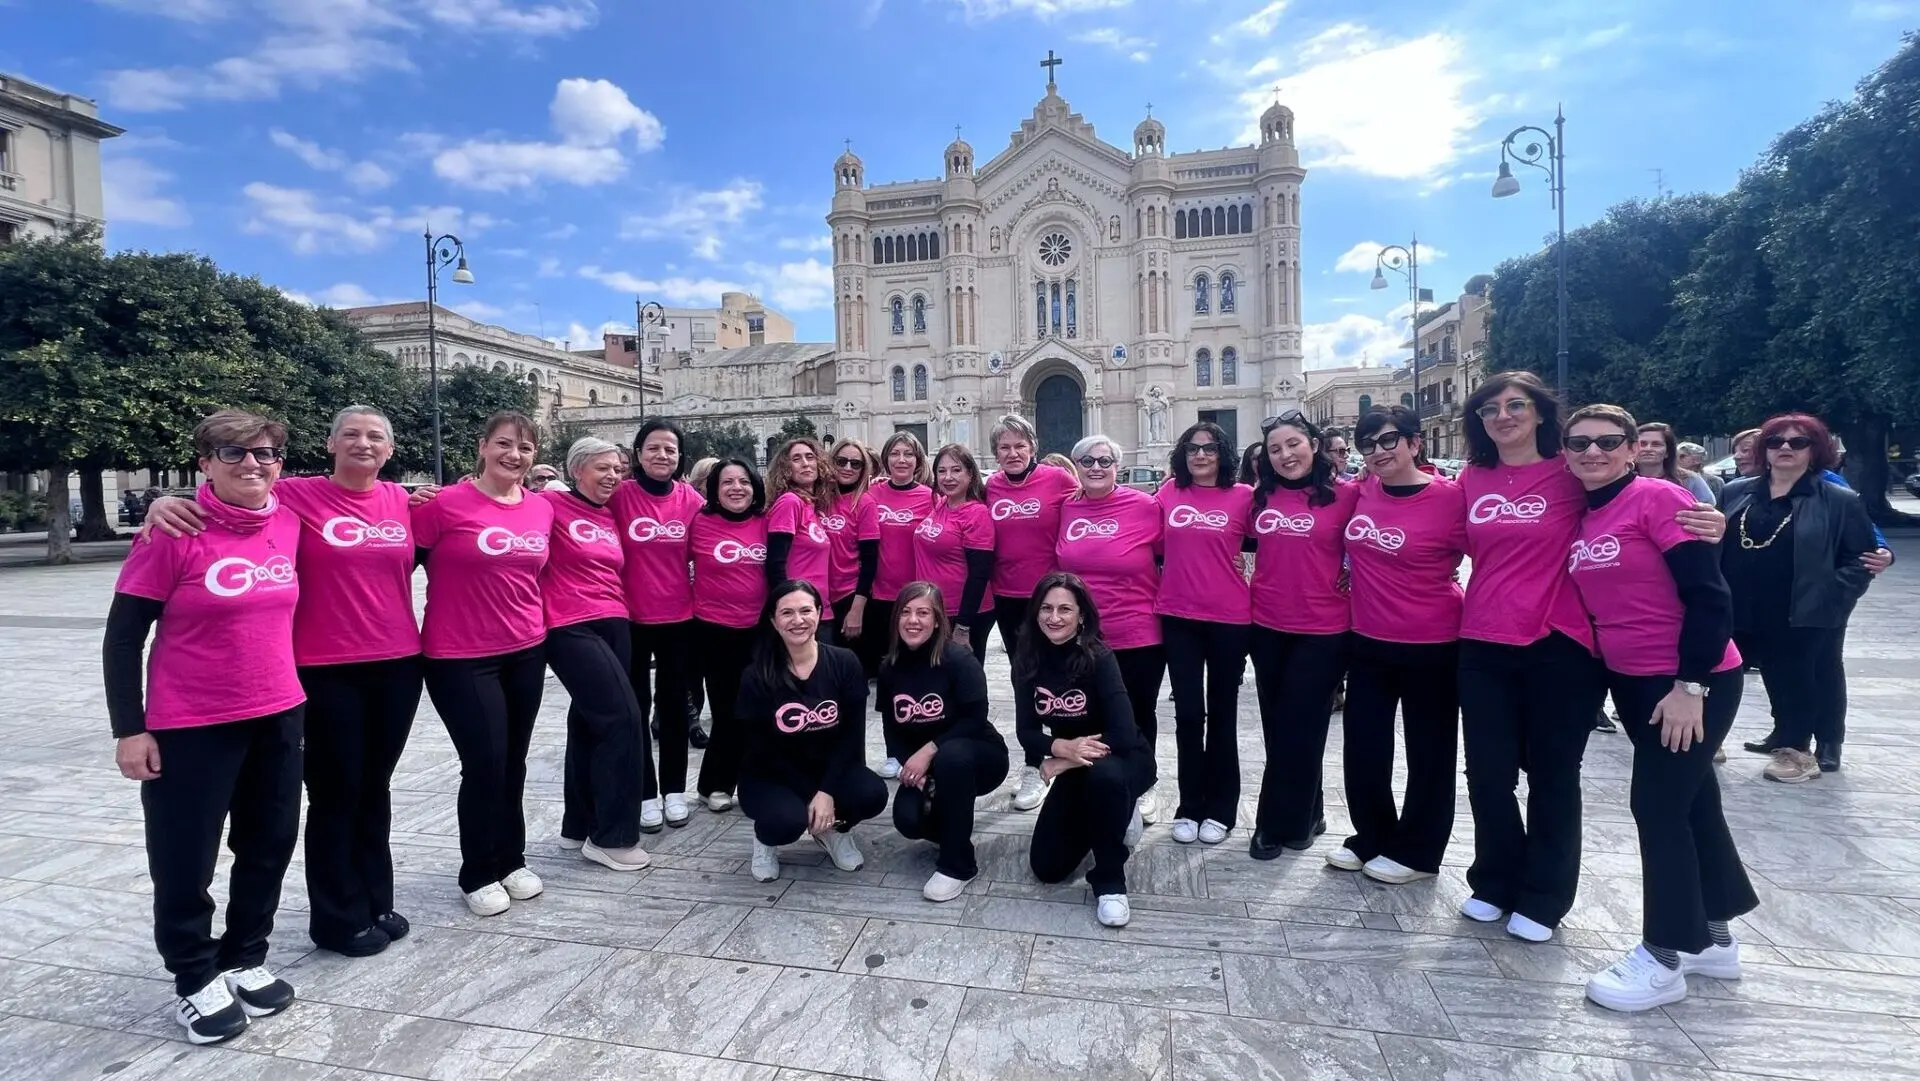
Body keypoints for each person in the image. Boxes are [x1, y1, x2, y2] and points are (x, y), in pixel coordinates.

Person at [144, 406, 424, 959]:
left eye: (375, 436)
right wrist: (163, 501)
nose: (363, 443)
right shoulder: (296, 495)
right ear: (330, 444)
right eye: (350, 434)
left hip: (397, 662)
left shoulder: (403, 500)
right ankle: (338, 917)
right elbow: (234, 489)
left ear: (390, 449)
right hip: (323, 667)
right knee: (336, 791)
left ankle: (375, 898)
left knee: (375, 786)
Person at [105, 410, 305, 1044]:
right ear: (205, 464)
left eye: (266, 453)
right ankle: (193, 975)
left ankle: (244, 954)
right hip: (191, 722)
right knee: (185, 856)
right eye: (233, 453)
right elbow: (123, 638)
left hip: (279, 711)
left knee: (270, 841)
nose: (252, 464)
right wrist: (129, 729)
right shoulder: (174, 531)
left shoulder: (289, 521)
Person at [1561, 404, 1756, 1013]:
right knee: (1694, 804)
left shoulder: (1658, 498)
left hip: (1688, 681)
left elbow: (1708, 595)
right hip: (1635, 683)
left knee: (1658, 808)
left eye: (1607, 441)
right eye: (1579, 443)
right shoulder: (1587, 513)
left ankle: (1664, 956)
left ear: (1631, 449)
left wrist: (1690, 686)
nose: (1593, 452)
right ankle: (1715, 940)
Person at [1454, 374, 1605, 942]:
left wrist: (1706, 520)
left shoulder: (1572, 472)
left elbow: (1634, 506)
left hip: (1559, 643)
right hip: (1482, 639)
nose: (1503, 416)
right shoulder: (1471, 479)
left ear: (1541, 413)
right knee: (1487, 773)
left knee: (1553, 774)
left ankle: (1545, 895)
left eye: (1516, 405)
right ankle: (1495, 880)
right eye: (1490, 409)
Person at [413, 412, 553, 917]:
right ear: (483, 447)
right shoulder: (443, 504)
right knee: (485, 762)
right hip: (461, 656)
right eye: (504, 444)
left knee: (514, 760)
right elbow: (393, 562)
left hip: (526, 649)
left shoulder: (541, 508)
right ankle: (477, 870)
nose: (514, 455)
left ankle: (511, 858)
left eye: (525, 448)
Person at [1335, 406, 1468, 885]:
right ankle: (1371, 835)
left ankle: (1419, 851)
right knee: (1364, 746)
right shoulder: (1362, 490)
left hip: (1433, 642)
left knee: (1429, 751)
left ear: (1415, 443)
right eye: (1368, 444)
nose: (1378, 451)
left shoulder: (1452, 498)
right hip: (1368, 640)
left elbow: (1496, 550)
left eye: (1389, 440)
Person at [1719, 413, 1877, 781]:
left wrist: (1832, 594)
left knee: (1792, 680)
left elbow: (1861, 558)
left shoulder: (1838, 499)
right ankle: (1710, 739)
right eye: (1776, 441)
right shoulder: (1736, 492)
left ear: (1815, 449)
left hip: (1798, 607)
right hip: (1736, 604)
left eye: (1798, 442)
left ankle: (1796, 751)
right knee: (1719, 674)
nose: (1785, 448)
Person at [1246, 411, 1357, 859]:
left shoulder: (1348, 495)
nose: (1285, 455)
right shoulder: (1259, 497)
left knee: (1300, 725)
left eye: (1293, 444)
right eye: (1275, 449)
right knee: (1280, 726)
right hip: (1266, 625)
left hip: (1324, 629)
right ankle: (1310, 810)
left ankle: (1275, 823)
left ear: (1314, 445)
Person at [1016, 572, 1154, 928]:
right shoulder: (1028, 660)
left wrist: (1061, 762)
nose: (1054, 617)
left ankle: (1110, 881)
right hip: (1077, 760)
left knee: (1105, 779)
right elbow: (1026, 732)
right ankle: (1110, 815)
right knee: (1047, 868)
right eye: (1046, 608)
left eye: (1065, 609)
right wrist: (1061, 747)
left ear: (1081, 616)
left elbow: (1124, 733)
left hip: (1123, 758)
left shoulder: (1098, 657)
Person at [542, 437, 651, 871]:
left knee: (588, 721)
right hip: (569, 624)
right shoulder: (549, 505)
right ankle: (613, 836)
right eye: (602, 468)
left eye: (618, 469)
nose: (613, 476)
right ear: (576, 470)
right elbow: (499, 504)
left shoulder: (609, 513)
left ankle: (578, 824)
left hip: (615, 619)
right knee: (623, 718)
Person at [738, 580, 888, 882]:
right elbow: (758, 747)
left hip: (827, 769)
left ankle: (834, 830)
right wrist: (812, 797)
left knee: (871, 794)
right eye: (787, 613)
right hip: (771, 774)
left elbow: (851, 736)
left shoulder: (844, 662)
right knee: (787, 821)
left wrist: (827, 791)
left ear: (819, 613)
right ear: (773, 620)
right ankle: (765, 840)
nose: (798, 620)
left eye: (806, 610)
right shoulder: (756, 675)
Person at [1055, 435, 1165, 821]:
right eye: (1086, 461)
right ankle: (1097, 783)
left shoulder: (1146, 506)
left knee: (1137, 714)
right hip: (1082, 637)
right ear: (1076, 467)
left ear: (1117, 467)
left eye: (1105, 460)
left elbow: (1176, 552)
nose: (1096, 467)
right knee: (1091, 714)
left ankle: (1143, 782)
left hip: (1137, 631)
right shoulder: (1067, 507)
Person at [1155, 421, 1254, 846]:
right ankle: (1189, 805)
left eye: (1210, 448)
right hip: (1178, 617)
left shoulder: (1244, 496)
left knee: (1223, 714)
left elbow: (1267, 546)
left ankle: (1222, 808)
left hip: (1230, 619)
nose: (1200, 455)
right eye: (1193, 448)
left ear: (1222, 453)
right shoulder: (1167, 493)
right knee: (1189, 715)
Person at [878, 581, 1009, 901]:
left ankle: (958, 865)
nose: (913, 620)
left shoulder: (959, 659)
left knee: (952, 757)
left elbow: (975, 718)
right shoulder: (889, 667)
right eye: (906, 612)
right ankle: (953, 824)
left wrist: (928, 750)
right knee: (909, 820)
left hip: (978, 755)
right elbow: (891, 728)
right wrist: (908, 766)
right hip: (934, 766)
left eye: (923, 613)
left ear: (937, 620)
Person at [610, 421, 705, 832]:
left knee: (674, 707)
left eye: (670, 449)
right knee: (635, 707)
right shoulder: (619, 496)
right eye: (653, 448)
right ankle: (645, 792)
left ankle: (674, 791)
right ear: (638, 454)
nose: (662, 455)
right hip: (629, 619)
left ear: (680, 456)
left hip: (679, 619)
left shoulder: (691, 500)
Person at [691, 458, 771, 811]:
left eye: (744, 482)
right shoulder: (700, 522)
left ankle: (756, 783)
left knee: (759, 711)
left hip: (760, 631)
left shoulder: (766, 522)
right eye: (727, 482)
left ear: (755, 487)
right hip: (714, 631)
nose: (736, 488)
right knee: (726, 712)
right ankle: (714, 785)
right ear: (715, 489)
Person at [984, 415, 1077, 661]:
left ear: (1033, 448)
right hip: (1005, 592)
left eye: (1020, 446)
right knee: (1019, 665)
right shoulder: (991, 486)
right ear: (996, 453)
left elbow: (1088, 504)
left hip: (1050, 591)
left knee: (1055, 662)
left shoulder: (1058, 478)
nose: (1013, 453)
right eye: (1004, 447)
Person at [913, 443, 996, 663]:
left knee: (963, 676)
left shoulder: (977, 514)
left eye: (956, 470)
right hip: (936, 608)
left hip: (963, 614)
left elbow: (980, 574)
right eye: (942, 471)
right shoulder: (941, 503)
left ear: (970, 474)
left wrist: (963, 626)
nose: (948, 477)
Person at [765, 437, 839, 631]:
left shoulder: (813, 506)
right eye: (796, 459)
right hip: (798, 614)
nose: (805, 463)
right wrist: (788, 607)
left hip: (820, 608)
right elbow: (775, 563)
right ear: (786, 468)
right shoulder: (790, 502)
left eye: (810, 457)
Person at [823, 437, 882, 664]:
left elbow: (870, 561)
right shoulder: (818, 499)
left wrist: (857, 609)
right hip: (818, 597)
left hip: (848, 596)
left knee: (850, 668)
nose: (848, 468)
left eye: (855, 464)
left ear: (863, 469)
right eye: (841, 461)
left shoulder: (865, 503)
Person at [680, 455, 721, 749]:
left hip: (712, 604)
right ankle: (690, 720)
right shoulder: (691, 509)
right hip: (686, 602)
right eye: (712, 478)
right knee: (689, 670)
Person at [1635, 422, 1716, 503]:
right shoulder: (1627, 480)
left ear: (1667, 452)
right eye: (1642, 444)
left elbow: (1708, 506)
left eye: (1656, 444)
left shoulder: (1689, 480)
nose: (1648, 449)